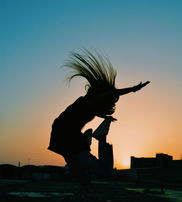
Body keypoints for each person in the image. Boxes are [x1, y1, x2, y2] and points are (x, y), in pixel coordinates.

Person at [48, 49, 150, 183]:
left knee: (79, 171)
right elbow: (109, 94)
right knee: (100, 171)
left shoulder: (87, 105)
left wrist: (106, 119)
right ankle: (100, 138)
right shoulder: (89, 101)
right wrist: (132, 89)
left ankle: (84, 179)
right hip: (66, 135)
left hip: (63, 133)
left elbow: (99, 109)